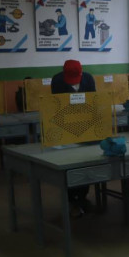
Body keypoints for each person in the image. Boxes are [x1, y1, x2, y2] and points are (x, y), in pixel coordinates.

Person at [51, 60, 97, 217]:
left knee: (86, 163)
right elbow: (57, 106)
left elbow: (93, 102)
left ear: (81, 72)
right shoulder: (57, 80)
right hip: (65, 126)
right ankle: (71, 200)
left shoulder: (88, 79)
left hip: (85, 126)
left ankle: (82, 198)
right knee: (69, 164)